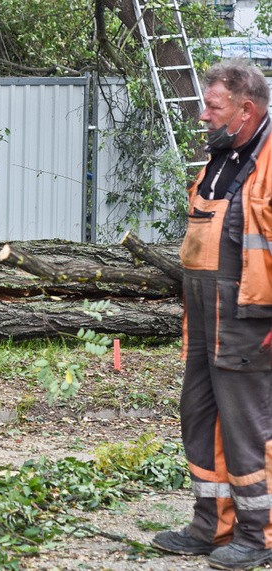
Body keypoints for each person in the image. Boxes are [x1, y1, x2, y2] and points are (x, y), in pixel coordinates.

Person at [151, 60, 272, 571]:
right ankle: (211, 525)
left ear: (246, 109)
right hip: (205, 316)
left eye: (213, 106)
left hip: (250, 316)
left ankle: (259, 532)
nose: (203, 115)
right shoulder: (221, 158)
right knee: (199, 413)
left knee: (248, 426)